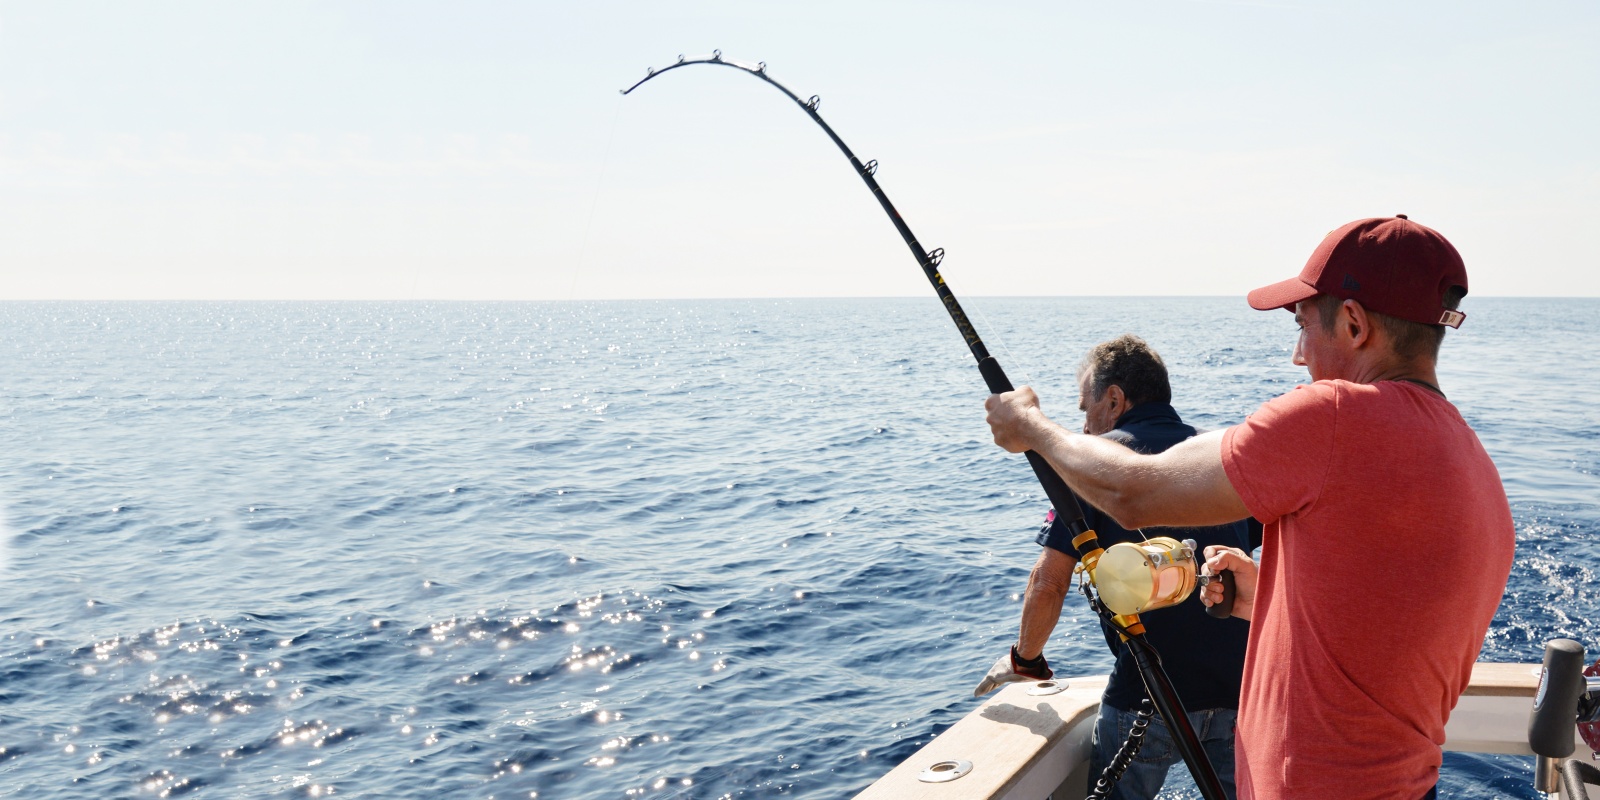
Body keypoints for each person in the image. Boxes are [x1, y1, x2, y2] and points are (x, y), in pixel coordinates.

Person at [982, 216, 1515, 800]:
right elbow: (1383, 630)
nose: (1297, 357)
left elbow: (1130, 492)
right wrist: (1263, 597)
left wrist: (1031, 428)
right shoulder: (1471, 463)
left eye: (1303, 324)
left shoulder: (1331, 416)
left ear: (1355, 323)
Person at [973, 334, 1260, 800]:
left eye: (1085, 406)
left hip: (1146, 694)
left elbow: (1049, 582)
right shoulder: (1220, 459)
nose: (1084, 427)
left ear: (1113, 399)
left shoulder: (1092, 474)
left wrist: (1025, 660)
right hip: (1241, 692)